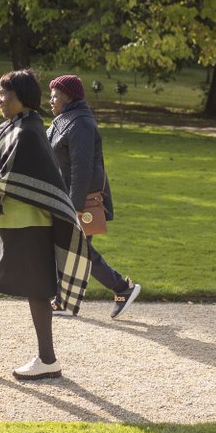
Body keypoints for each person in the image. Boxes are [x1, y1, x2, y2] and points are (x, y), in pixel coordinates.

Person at [0, 69, 91, 381]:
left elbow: (21, 178)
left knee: (36, 288)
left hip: (28, 224)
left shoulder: (29, 131)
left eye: (3, 94)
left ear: (19, 96)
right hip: (10, 221)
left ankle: (47, 359)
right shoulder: (16, 126)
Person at [47, 74, 141, 319]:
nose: (50, 100)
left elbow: (82, 167)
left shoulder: (80, 124)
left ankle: (121, 288)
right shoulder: (62, 121)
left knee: (77, 250)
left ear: (68, 97)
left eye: (55, 96)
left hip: (82, 200)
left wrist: (75, 206)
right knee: (74, 249)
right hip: (65, 197)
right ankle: (114, 290)